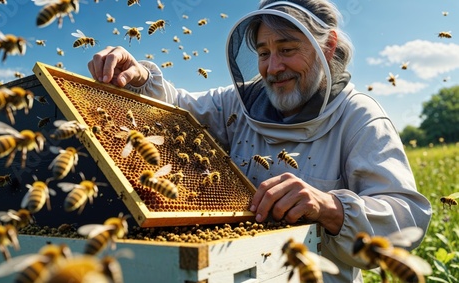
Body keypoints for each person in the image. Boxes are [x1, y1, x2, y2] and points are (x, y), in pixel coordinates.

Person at [88, 0, 432, 281]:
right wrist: (139, 77)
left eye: (286, 49)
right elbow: (175, 114)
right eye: (264, 52)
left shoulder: (359, 117)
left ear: (326, 47)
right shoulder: (235, 103)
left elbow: (409, 218)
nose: (273, 66)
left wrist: (331, 207)